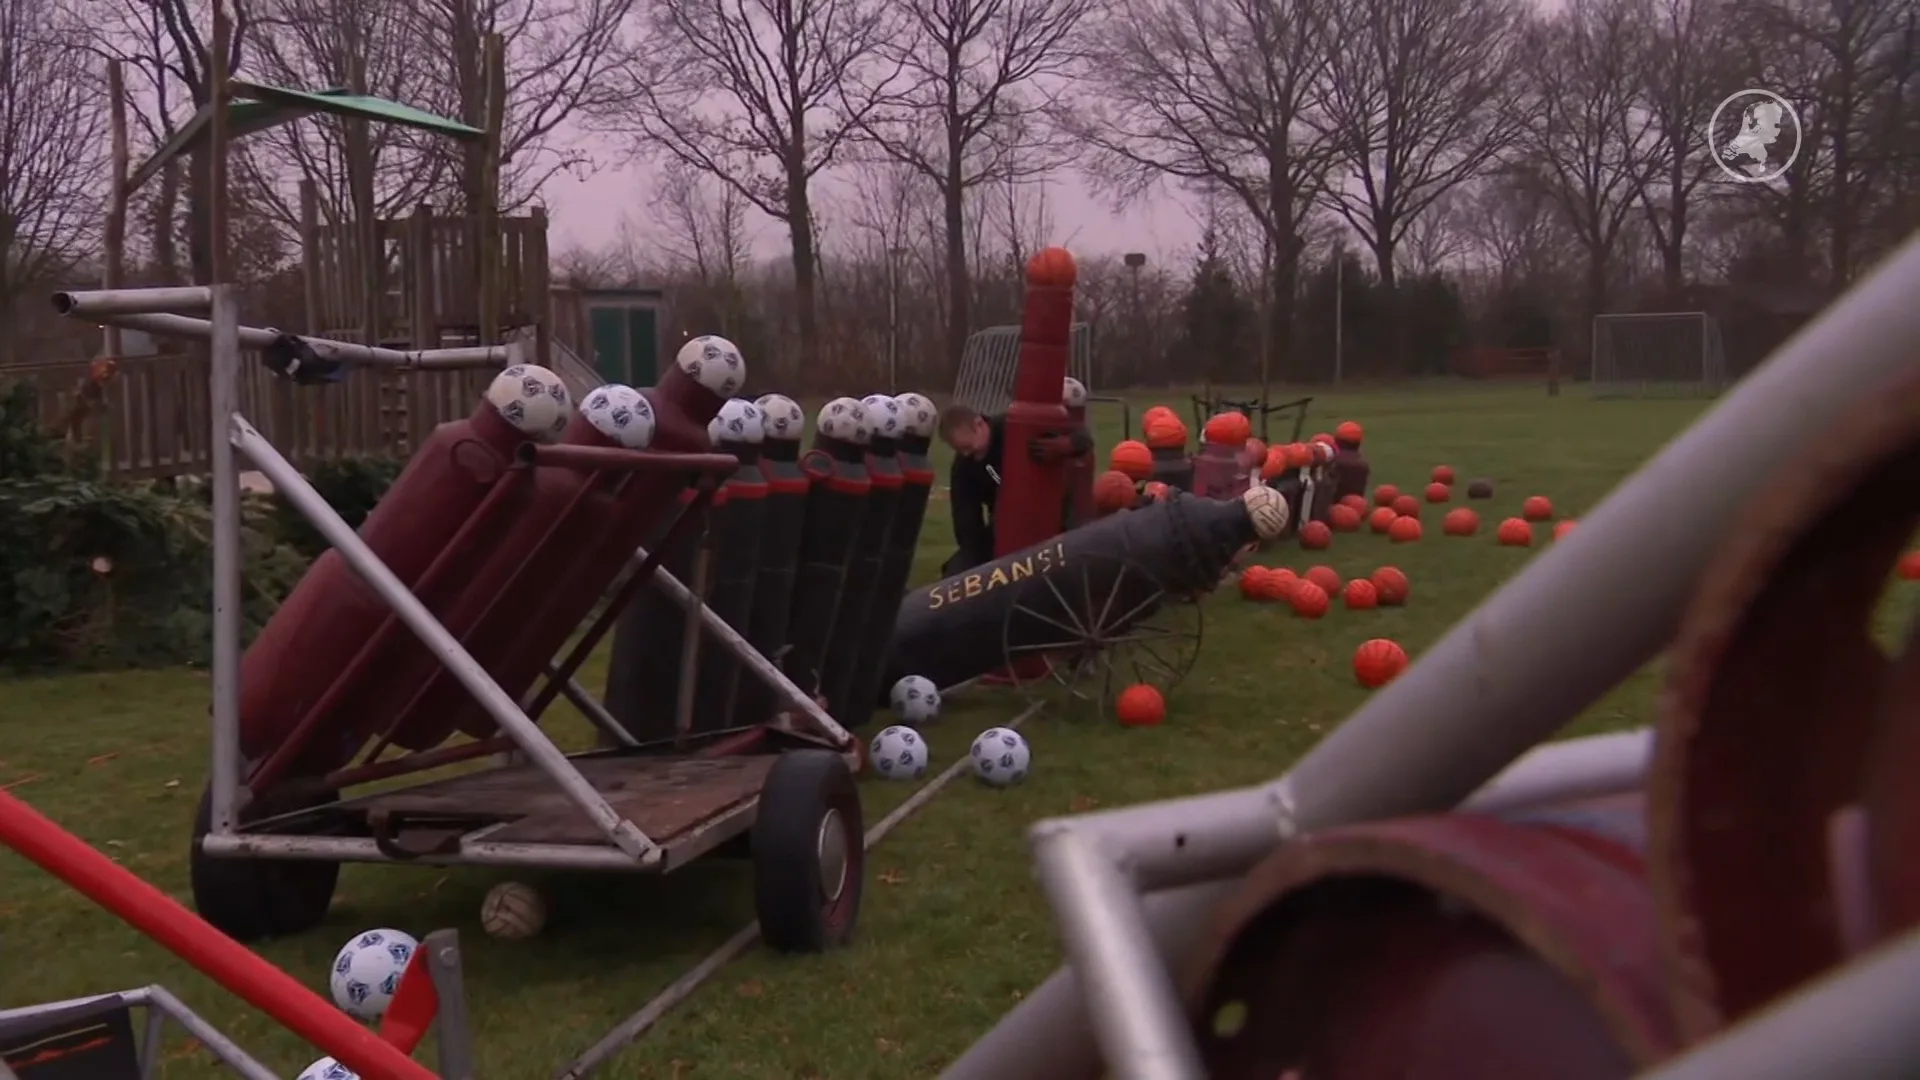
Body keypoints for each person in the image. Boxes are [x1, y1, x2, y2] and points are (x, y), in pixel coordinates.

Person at [939, 403, 1092, 577]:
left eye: (968, 447)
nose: (966, 454)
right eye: (961, 450)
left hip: (1057, 517)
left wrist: (1065, 445)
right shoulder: (963, 467)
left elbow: (1083, 437)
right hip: (1005, 528)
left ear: (979, 424)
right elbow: (966, 522)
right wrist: (977, 564)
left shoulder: (1015, 426)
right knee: (956, 572)